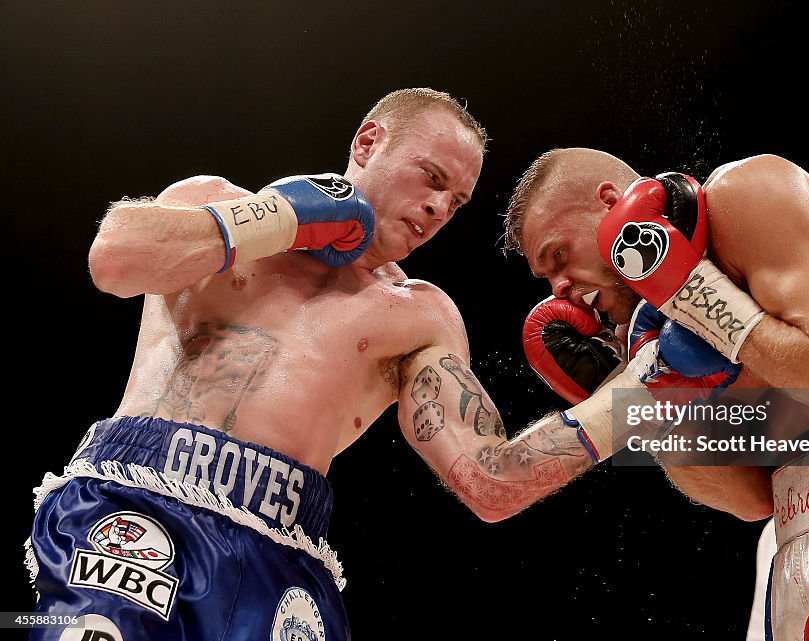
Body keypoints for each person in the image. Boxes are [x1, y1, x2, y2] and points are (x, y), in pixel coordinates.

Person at [27, 91, 659, 641]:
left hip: (283, 558)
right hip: (134, 509)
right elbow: (114, 259)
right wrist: (283, 217)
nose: (440, 209)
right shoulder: (212, 201)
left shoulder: (419, 316)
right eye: (431, 178)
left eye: (458, 201)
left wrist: (644, 389)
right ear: (368, 141)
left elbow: (490, 483)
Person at [504, 148, 809, 640]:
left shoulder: (747, 192)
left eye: (559, 256)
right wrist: (654, 404)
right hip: (797, 526)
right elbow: (749, 499)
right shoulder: (662, 338)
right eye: (546, 278)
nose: (559, 289)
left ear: (612, 204)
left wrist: (692, 293)